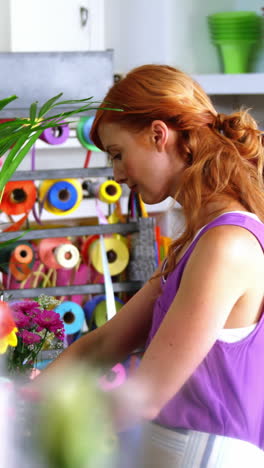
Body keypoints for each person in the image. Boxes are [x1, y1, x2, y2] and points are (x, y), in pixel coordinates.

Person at [37, 64, 264, 467]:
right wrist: (23, 402)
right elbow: (103, 345)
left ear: (159, 135)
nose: (118, 174)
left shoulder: (226, 245)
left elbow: (147, 395)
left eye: (118, 155)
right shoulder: (198, 242)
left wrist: (40, 424)